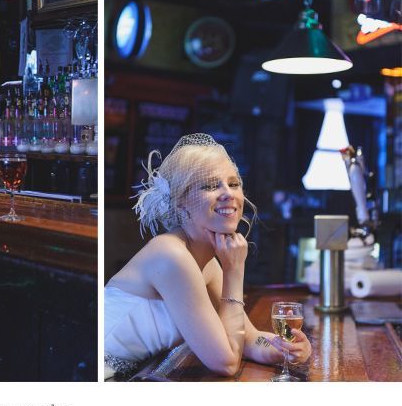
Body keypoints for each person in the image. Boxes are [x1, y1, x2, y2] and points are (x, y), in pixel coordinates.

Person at [104, 133, 311, 380]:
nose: (228, 194)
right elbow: (226, 363)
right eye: (211, 186)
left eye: (233, 184)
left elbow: (248, 339)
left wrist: (288, 349)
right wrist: (234, 271)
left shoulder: (207, 262)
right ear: (181, 203)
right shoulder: (171, 254)